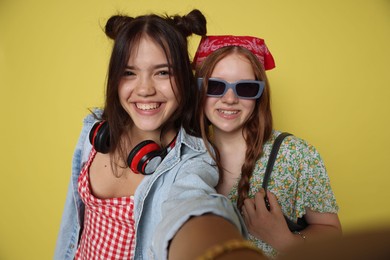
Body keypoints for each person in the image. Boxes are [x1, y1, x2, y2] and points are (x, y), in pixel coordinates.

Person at [54, 13, 265, 260]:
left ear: (185, 79)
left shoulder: (193, 160)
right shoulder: (94, 131)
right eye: (129, 73)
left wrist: (221, 250)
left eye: (163, 73)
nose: (145, 89)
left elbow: (194, 206)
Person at [194, 35, 342, 258]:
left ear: (259, 94)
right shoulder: (183, 154)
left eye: (245, 88)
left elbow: (332, 232)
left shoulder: (296, 155)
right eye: (215, 86)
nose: (230, 98)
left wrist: (284, 239)